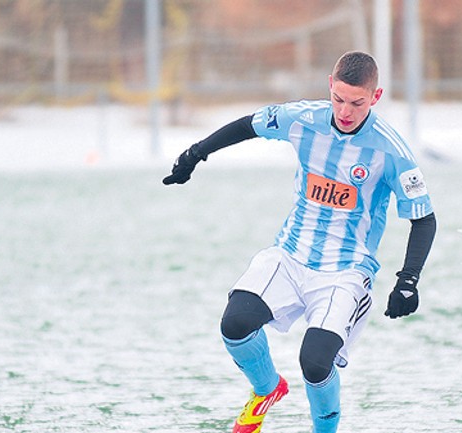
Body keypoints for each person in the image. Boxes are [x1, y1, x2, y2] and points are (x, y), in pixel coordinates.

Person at [162, 51, 436, 433]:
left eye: (357, 103)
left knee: (315, 363)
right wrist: (195, 154)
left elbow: (424, 219)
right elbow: (248, 125)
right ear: (330, 86)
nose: (345, 111)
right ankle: (267, 389)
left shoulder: (391, 150)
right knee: (235, 325)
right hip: (290, 254)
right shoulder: (303, 119)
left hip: (346, 272)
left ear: (375, 97)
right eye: (338, 99)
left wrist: (408, 280)